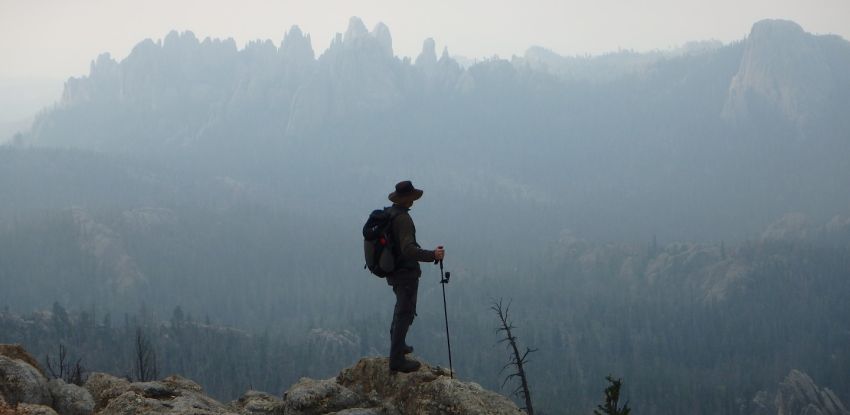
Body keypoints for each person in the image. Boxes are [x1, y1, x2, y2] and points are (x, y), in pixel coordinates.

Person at [384, 180, 445, 373]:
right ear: (408, 199)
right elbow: (408, 249)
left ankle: (398, 346)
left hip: (393, 270)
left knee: (400, 309)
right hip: (405, 273)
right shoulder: (403, 219)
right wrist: (432, 255)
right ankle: (397, 359)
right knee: (405, 313)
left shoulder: (390, 214)